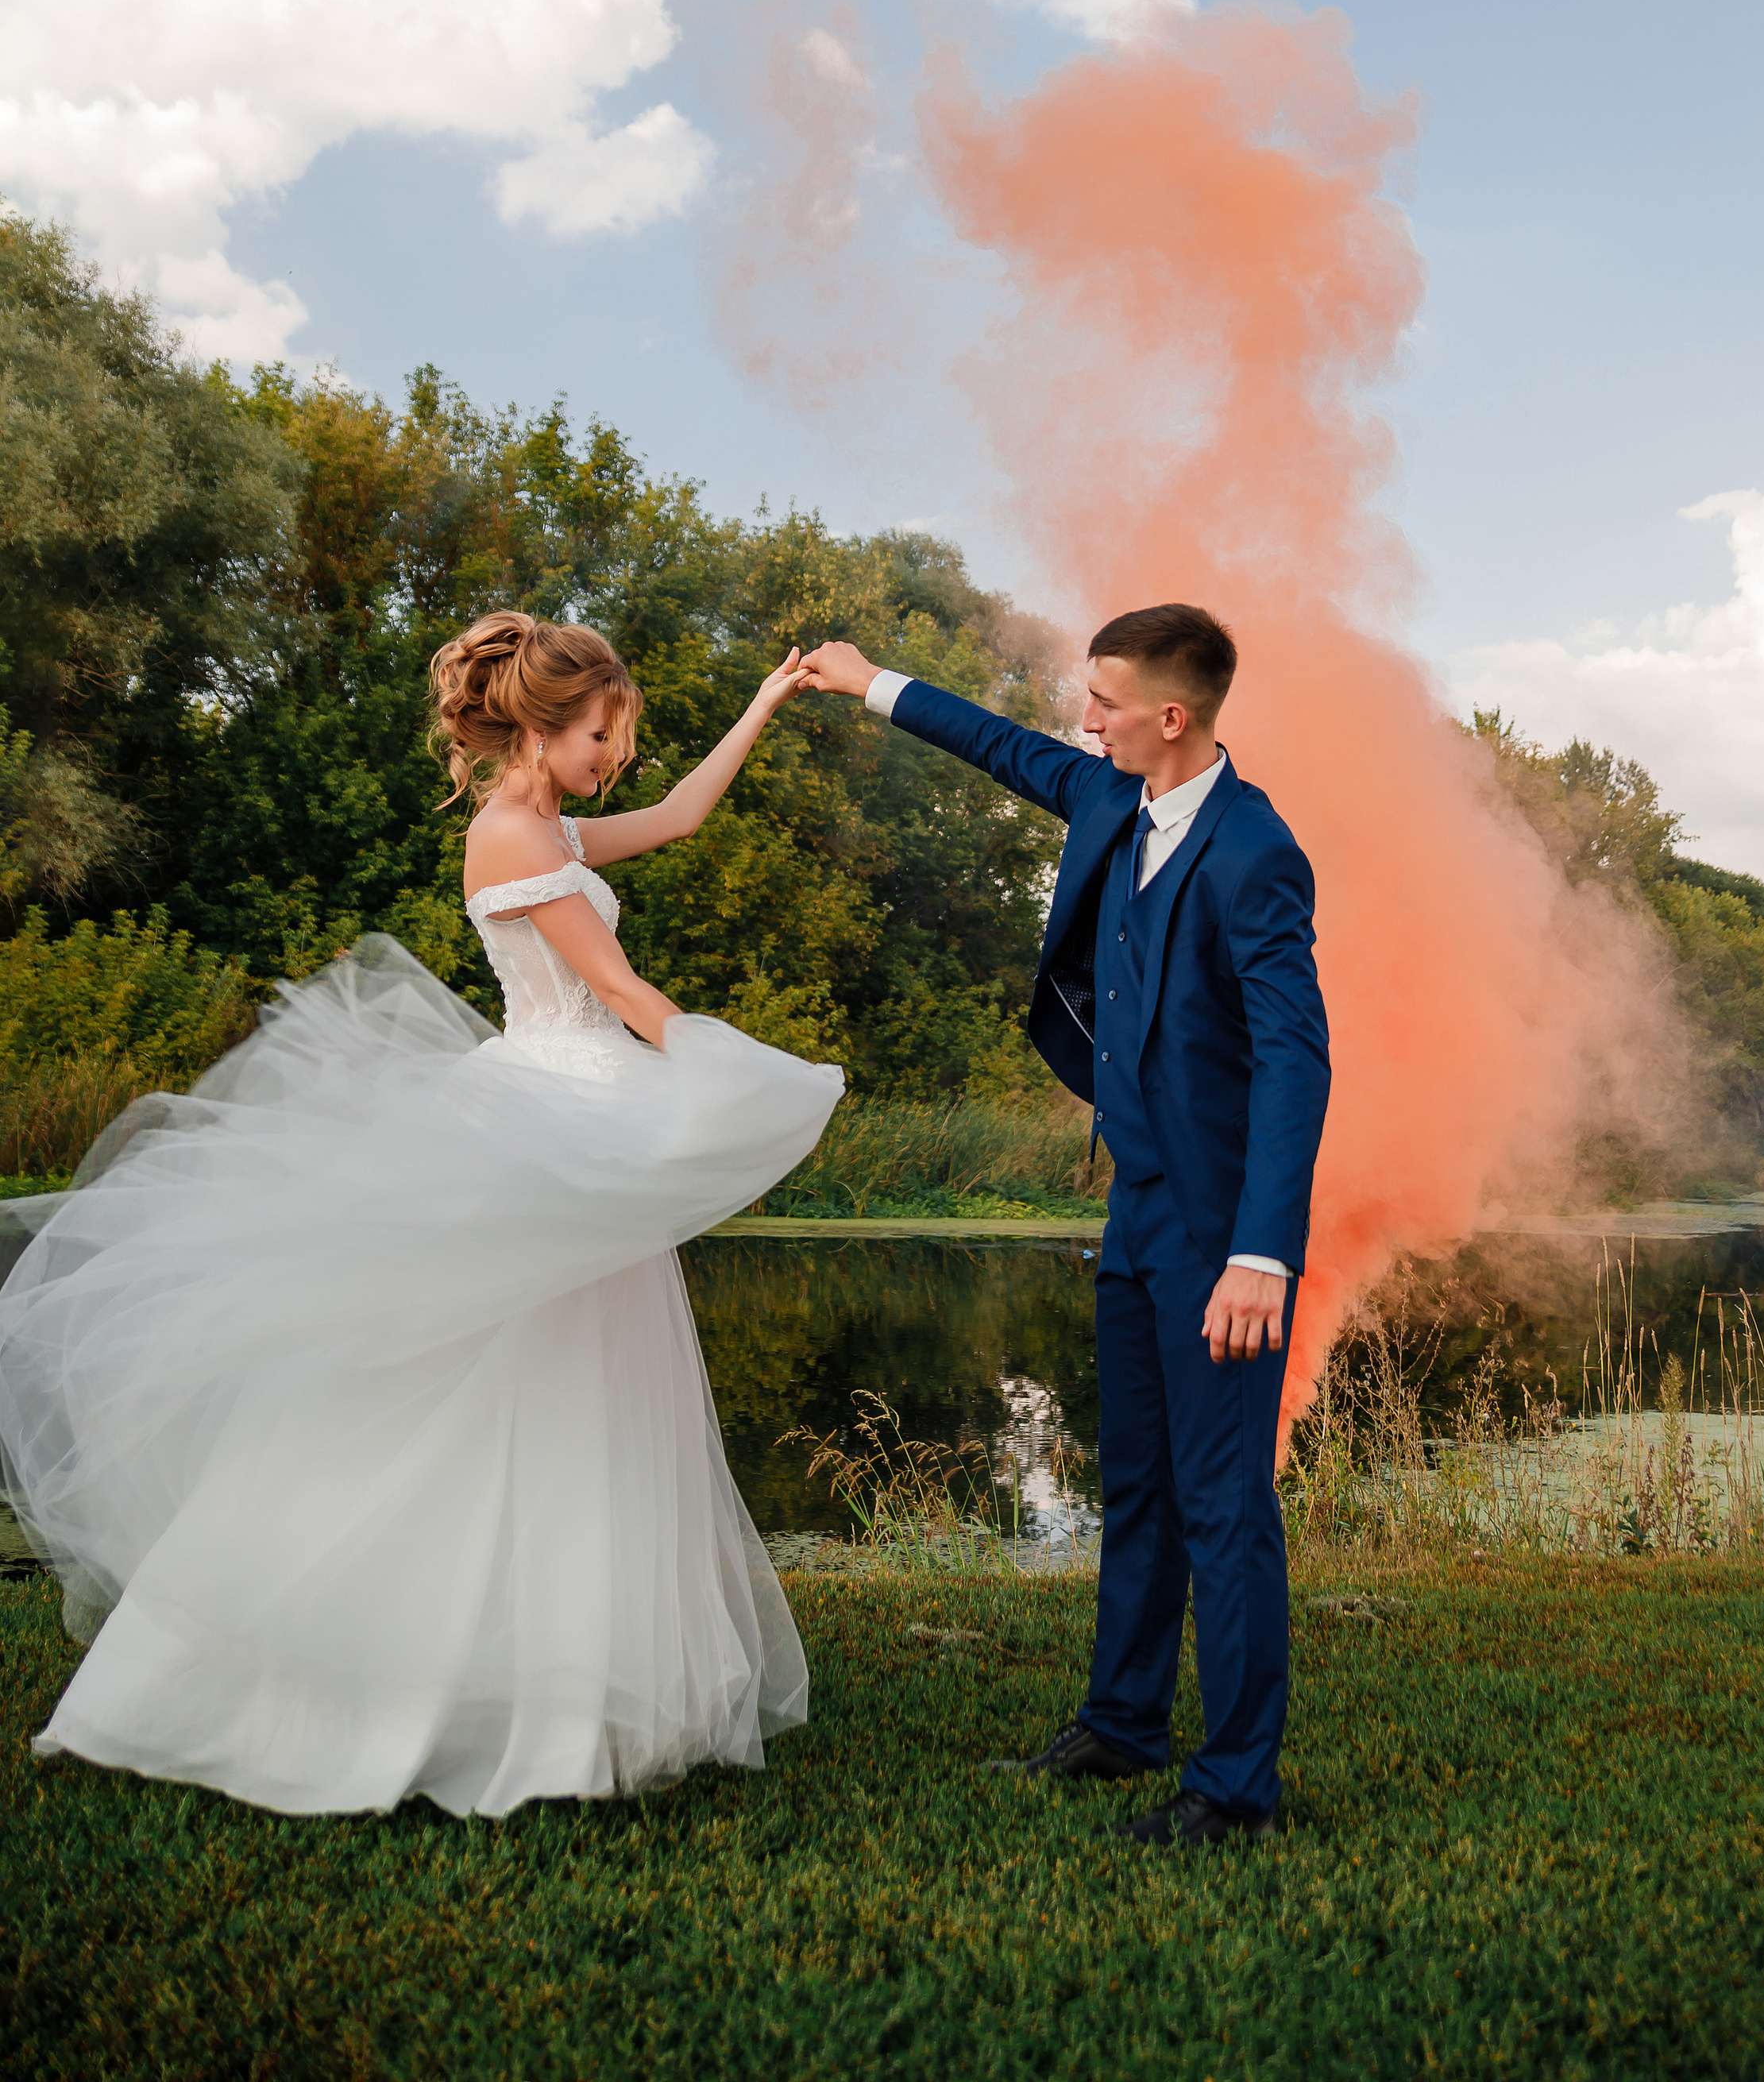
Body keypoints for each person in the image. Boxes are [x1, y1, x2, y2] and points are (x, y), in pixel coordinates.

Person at [0, 610, 840, 1817]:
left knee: (583, 1391)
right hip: (551, 1119)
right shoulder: (511, 835)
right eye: (601, 736)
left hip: (581, 1115)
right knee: (510, 1390)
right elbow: (614, 988)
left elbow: (678, 818)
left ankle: (566, 1692)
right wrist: (726, 1066)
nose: (615, 759)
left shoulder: (553, 826)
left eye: (620, 739)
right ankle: (404, 1675)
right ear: (544, 728)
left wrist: (763, 703)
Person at [801, 602, 1331, 1846]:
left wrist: (1261, 1254)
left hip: (1219, 1233)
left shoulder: (1256, 854)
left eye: (1104, 702)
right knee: (1136, 1485)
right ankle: (1123, 1724)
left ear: (1171, 716)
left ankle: (1236, 1790)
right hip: (1135, 1211)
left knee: (1223, 1508)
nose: (1083, 720)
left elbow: (1295, 1061)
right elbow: (1000, 747)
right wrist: (871, 680)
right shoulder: (1109, 796)